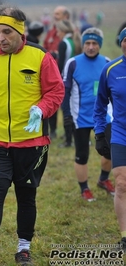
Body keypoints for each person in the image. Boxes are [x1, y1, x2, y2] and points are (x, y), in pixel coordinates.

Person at [0, 4, 64, 265]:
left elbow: (56, 91)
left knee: (25, 195)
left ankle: (24, 248)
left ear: (20, 31)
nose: (0, 38)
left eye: (6, 32)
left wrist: (40, 110)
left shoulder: (40, 57)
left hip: (32, 143)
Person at [62, 27, 113, 202]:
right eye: (87, 43)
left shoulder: (107, 62)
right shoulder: (73, 63)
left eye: (94, 43)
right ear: (83, 44)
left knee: (110, 152)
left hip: (104, 117)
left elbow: (114, 92)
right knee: (82, 154)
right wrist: (67, 116)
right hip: (80, 118)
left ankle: (104, 179)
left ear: (99, 45)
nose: (90, 47)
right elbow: (65, 91)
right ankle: (84, 188)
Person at [94, 27, 126, 250]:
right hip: (121, 133)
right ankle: (125, 235)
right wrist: (98, 132)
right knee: (122, 184)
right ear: (121, 43)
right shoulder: (110, 69)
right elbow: (100, 105)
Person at [43, 5, 70, 140]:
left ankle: (68, 133)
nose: (55, 16)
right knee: (51, 102)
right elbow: (44, 49)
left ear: (66, 16)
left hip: (65, 74)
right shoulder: (51, 32)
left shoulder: (71, 33)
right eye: (54, 14)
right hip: (51, 73)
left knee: (67, 105)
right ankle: (52, 130)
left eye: (58, 14)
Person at [56, 19, 82, 148]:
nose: (57, 33)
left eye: (58, 31)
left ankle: (68, 141)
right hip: (77, 80)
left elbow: (61, 65)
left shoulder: (63, 43)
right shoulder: (76, 41)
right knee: (75, 109)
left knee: (66, 109)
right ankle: (79, 138)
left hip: (65, 80)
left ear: (63, 31)